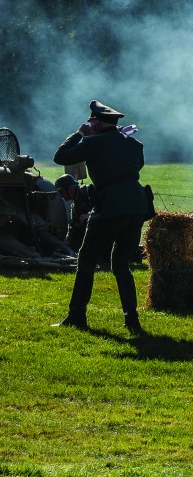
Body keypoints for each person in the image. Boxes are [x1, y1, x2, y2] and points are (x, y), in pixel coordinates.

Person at [52, 100, 147, 335]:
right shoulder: (133, 143)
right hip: (137, 204)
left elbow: (60, 156)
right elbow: (138, 165)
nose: (88, 123)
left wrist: (79, 134)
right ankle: (131, 319)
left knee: (85, 261)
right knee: (121, 265)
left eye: (91, 120)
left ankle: (76, 316)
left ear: (97, 122)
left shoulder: (93, 142)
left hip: (111, 205)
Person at [54, 174, 95, 256]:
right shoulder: (75, 204)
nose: (62, 196)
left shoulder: (89, 191)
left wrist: (90, 215)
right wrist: (65, 246)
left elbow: (106, 208)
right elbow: (73, 228)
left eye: (61, 192)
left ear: (69, 189)